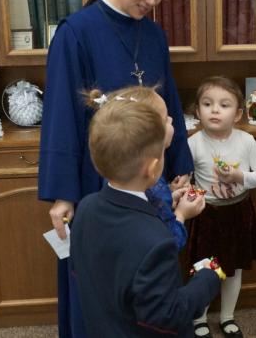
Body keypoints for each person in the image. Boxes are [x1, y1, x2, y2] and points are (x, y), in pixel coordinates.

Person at [38, 0, 193, 338]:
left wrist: (180, 163)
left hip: (148, 176)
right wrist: (62, 194)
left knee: (146, 275)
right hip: (96, 180)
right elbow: (60, 116)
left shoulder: (154, 34)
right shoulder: (76, 32)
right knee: (98, 284)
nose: (153, 0)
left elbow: (170, 102)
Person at [71, 85, 220, 337]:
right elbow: (169, 315)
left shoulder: (85, 209)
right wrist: (207, 278)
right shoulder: (157, 241)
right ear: (152, 169)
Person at [186, 76, 256, 338]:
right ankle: (199, 318)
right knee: (204, 268)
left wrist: (239, 177)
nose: (215, 110)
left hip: (239, 213)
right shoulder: (193, 143)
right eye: (207, 104)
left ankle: (227, 317)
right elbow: (186, 181)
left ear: (237, 114)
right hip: (206, 215)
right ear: (197, 111)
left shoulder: (246, 140)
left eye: (224, 105)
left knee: (233, 269)